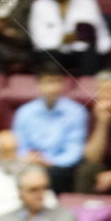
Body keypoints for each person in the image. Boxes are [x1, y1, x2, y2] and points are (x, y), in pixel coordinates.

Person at [11, 66, 89, 194]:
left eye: (56, 81)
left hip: (60, 166)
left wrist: (50, 161)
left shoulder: (77, 111)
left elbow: (74, 150)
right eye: (48, 82)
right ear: (38, 84)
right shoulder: (24, 112)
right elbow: (19, 145)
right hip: (29, 162)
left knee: (53, 174)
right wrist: (28, 158)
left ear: (63, 84)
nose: (52, 88)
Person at [28, 0, 111, 77]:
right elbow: (38, 41)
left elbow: (102, 36)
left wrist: (94, 47)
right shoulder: (40, 5)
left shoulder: (88, 2)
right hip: (54, 52)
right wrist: (63, 40)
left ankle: (86, 90)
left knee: (91, 56)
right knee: (47, 56)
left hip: (83, 52)